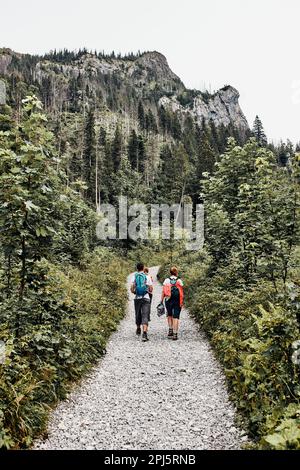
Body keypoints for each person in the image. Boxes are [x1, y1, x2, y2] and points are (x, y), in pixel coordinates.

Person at [131, 262, 153, 342]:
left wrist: (135, 292)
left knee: (138, 313)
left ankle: (138, 328)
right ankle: (144, 334)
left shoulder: (134, 276)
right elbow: (150, 289)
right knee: (145, 315)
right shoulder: (147, 276)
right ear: (143, 268)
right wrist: (147, 290)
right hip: (146, 298)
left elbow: (132, 288)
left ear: (137, 268)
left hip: (137, 298)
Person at [161, 266, 184, 341]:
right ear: (176, 272)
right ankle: (175, 334)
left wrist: (161, 301)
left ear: (170, 272)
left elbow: (163, 291)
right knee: (176, 316)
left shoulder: (166, 280)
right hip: (177, 300)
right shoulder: (179, 280)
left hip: (168, 299)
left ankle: (170, 330)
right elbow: (181, 290)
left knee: (169, 314)